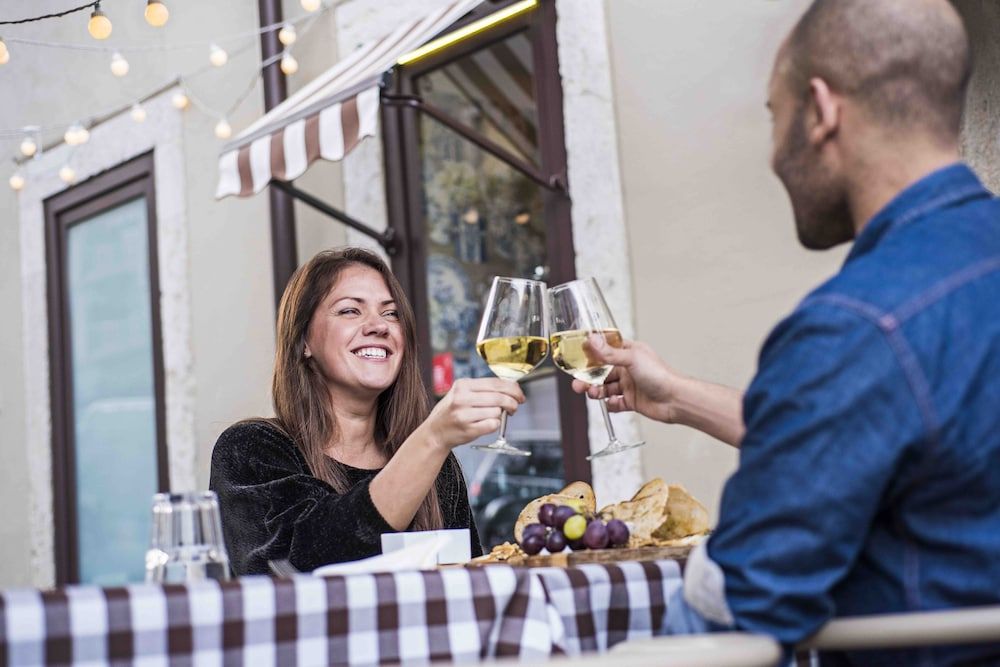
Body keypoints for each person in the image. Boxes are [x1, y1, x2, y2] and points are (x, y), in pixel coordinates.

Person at [576, 0, 1000, 664]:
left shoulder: (856, 326)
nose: (774, 155)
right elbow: (913, 437)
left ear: (823, 109)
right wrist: (678, 397)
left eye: (775, 117)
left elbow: (733, 609)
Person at [210, 247, 523, 575]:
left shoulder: (437, 466)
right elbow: (303, 563)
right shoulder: (251, 450)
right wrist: (431, 438)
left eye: (391, 314)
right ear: (304, 341)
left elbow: (471, 584)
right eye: (349, 311)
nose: (378, 326)